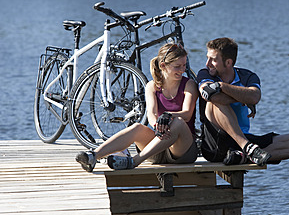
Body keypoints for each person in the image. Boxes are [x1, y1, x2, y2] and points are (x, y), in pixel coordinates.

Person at [76, 43, 199, 172]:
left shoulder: (188, 84)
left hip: (182, 151)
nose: (182, 70)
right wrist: (157, 125)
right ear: (163, 66)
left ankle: (134, 161)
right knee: (136, 127)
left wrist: (169, 115)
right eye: (177, 66)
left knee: (178, 122)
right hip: (158, 147)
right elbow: (151, 114)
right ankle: (93, 156)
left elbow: (187, 114)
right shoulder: (152, 86)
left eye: (184, 65)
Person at [197, 37, 289, 166]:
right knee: (214, 102)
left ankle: (244, 156)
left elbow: (255, 97)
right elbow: (211, 95)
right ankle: (247, 148)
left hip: (245, 137)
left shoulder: (247, 76)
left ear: (228, 62)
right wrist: (243, 98)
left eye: (213, 59)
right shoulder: (205, 74)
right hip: (215, 143)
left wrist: (221, 86)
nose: (207, 63)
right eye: (207, 58)